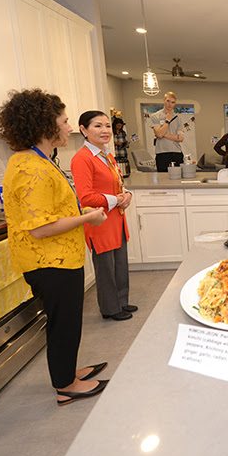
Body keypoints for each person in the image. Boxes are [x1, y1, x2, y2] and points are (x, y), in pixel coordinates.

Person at [0, 89, 109, 407]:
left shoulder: (33, 160)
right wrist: (87, 217)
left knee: (67, 320)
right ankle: (66, 385)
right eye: (64, 121)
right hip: (51, 261)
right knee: (64, 322)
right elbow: (41, 226)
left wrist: (80, 216)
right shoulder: (32, 168)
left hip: (54, 259)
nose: (69, 127)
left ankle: (68, 372)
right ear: (45, 126)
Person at [71, 110, 136, 322]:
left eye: (107, 125)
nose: (105, 130)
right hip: (100, 220)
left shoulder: (107, 155)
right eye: (98, 126)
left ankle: (121, 301)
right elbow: (85, 197)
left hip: (117, 218)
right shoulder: (82, 159)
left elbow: (118, 184)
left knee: (120, 264)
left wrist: (126, 195)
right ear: (83, 130)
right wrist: (116, 200)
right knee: (106, 268)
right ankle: (110, 308)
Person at [149, 92, 185, 172]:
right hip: (162, 153)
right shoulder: (155, 116)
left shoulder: (178, 118)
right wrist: (167, 121)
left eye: (173, 102)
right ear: (164, 100)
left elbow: (180, 138)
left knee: (177, 179)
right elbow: (159, 135)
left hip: (176, 152)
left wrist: (163, 133)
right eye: (168, 101)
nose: (170, 104)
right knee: (162, 180)